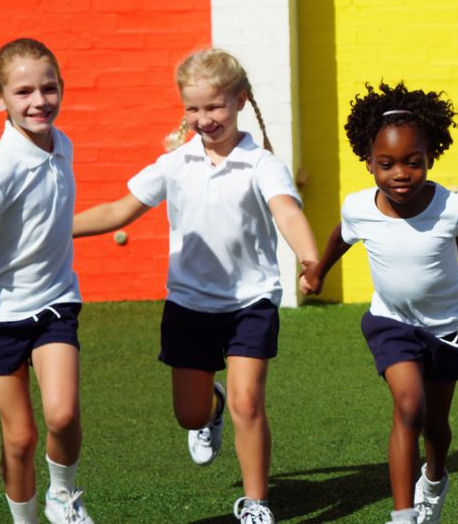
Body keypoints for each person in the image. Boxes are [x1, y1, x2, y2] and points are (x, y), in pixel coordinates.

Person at [72, 48, 318, 524]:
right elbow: (119, 210)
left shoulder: (261, 163)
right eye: (193, 108)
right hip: (188, 305)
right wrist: (54, 230)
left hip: (251, 302)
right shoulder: (175, 163)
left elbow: (287, 212)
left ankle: (256, 504)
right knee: (190, 414)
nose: (204, 119)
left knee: (250, 402)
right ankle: (212, 406)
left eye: (215, 106)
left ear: (240, 101)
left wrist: (308, 258)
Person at [300, 82, 458, 524]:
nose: (400, 173)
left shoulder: (453, 208)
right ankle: (402, 515)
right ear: (369, 162)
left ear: (430, 158)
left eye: (412, 162)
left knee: (435, 424)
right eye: (387, 164)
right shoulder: (359, 208)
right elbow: (340, 237)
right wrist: (319, 271)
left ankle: (434, 479)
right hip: (392, 323)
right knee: (409, 407)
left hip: (451, 326)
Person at [0, 38, 94, 524]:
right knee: (19, 439)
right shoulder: (2, 168)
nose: (39, 101)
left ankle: (63, 496)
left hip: (55, 302)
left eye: (49, 88)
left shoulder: (62, 144)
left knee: (62, 414)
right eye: (23, 92)